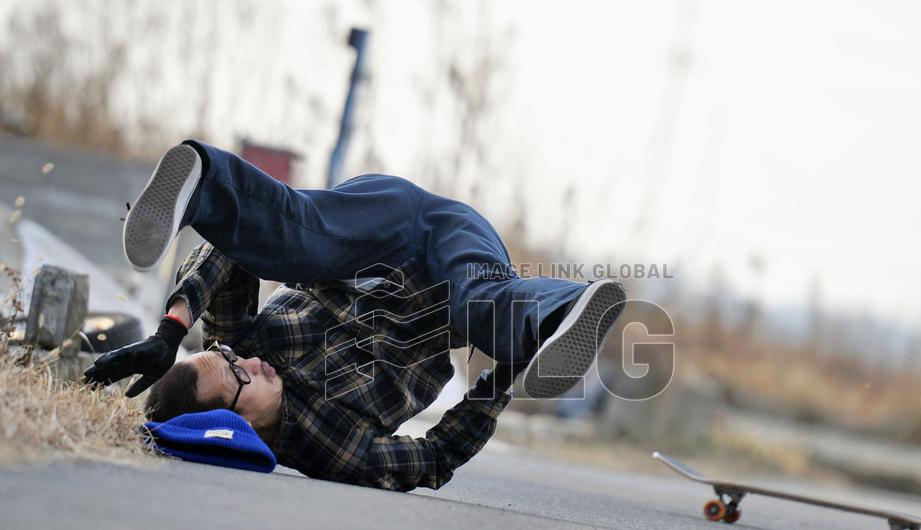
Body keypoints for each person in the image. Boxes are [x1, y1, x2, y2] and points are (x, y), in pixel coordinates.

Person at [84, 142, 626, 491]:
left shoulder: (245, 344)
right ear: (234, 423)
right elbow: (434, 457)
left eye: (229, 355)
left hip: (371, 228)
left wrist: (171, 329)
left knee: (298, 237)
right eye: (237, 373)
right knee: (479, 304)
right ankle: (558, 313)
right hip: (449, 263)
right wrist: (503, 379)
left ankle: (205, 183)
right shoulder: (332, 445)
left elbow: (229, 253)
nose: (249, 358)